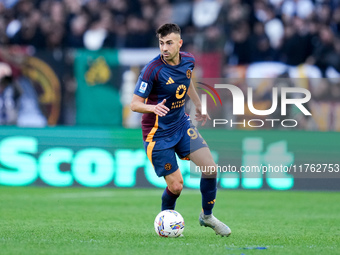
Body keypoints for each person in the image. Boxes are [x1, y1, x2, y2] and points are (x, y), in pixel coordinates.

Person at [130, 23, 231, 237]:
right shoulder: (152, 69)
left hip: (181, 124)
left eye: (169, 43)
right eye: (161, 43)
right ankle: (166, 222)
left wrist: (198, 104)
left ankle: (207, 216)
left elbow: (187, 80)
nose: (164, 48)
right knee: (176, 186)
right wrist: (152, 107)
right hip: (157, 134)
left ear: (179, 43)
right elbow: (134, 104)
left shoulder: (189, 60)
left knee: (211, 168)